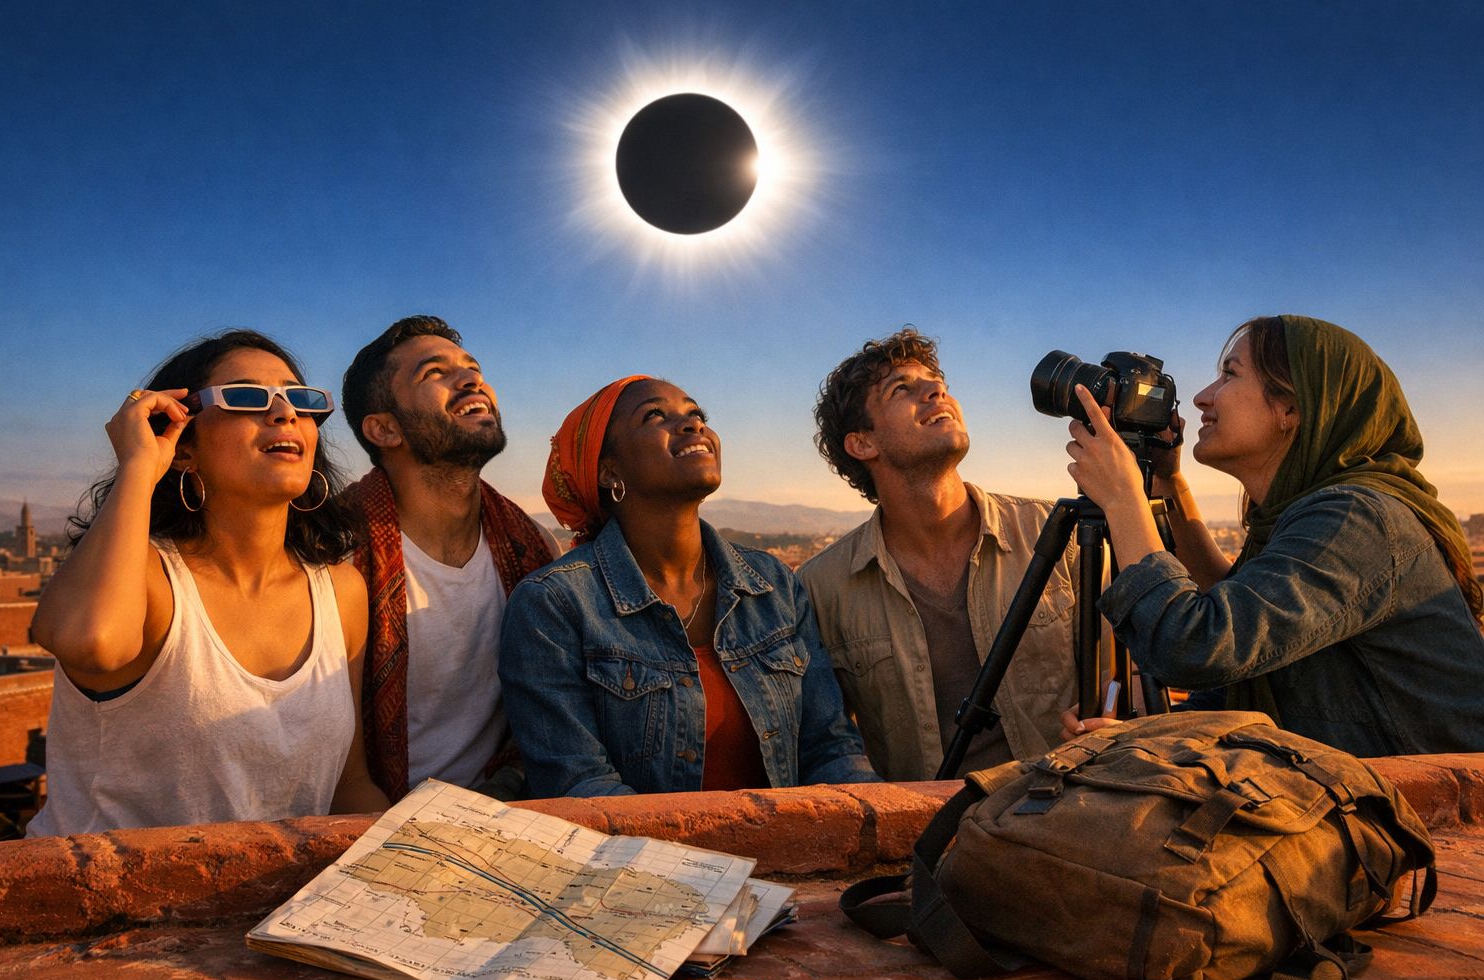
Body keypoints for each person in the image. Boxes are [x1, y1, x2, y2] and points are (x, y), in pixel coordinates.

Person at [1062, 315, 1484, 756]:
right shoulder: (1297, 518)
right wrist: (1168, 484)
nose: (1202, 397)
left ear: (1291, 409)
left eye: (1229, 374)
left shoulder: (1357, 518)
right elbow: (1238, 634)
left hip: (1425, 809)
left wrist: (1124, 500)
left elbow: (1193, 646)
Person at [27, 331, 388, 836]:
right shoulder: (151, 580)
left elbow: (349, 786)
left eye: (298, 400)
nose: (284, 414)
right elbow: (91, 642)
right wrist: (139, 465)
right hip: (110, 907)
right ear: (182, 447)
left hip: (277, 909)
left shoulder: (340, 590)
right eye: (244, 397)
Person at [499, 376, 879, 797]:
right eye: (655, 415)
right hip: (639, 860)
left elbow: (830, 748)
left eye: (696, 414)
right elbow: (580, 785)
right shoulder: (554, 604)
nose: (693, 425)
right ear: (608, 470)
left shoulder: (772, 585)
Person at [799, 328, 1085, 781]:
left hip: (1065, 813)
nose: (937, 392)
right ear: (862, 443)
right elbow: (826, 743)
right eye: (902, 390)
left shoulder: (1055, 534)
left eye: (938, 384)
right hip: (927, 837)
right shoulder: (821, 587)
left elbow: (1122, 686)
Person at [341, 315, 556, 804]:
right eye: (434, 373)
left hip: (507, 804)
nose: (471, 380)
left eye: (472, 368)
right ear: (384, 429)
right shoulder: (333, 556)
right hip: (368, 818)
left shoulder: (533, 548)